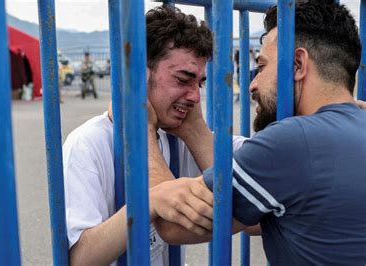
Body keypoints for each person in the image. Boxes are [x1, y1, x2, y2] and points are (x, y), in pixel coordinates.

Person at [150, 1, 366, 265]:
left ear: (297, 65)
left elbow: (173, 224)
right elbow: (257, 218)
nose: (253, 84)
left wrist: (139, 126)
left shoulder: (294, 140)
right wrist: (195, 129)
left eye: (262, 67)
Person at [62, 6, 229, 265]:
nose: (196, 97)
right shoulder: (88, 142)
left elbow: (244, 193)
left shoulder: (179, 136)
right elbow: (80, 258)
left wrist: (196, 131)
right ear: (139, 74)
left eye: (200, 83)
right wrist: (148, 202)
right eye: (184, 79)